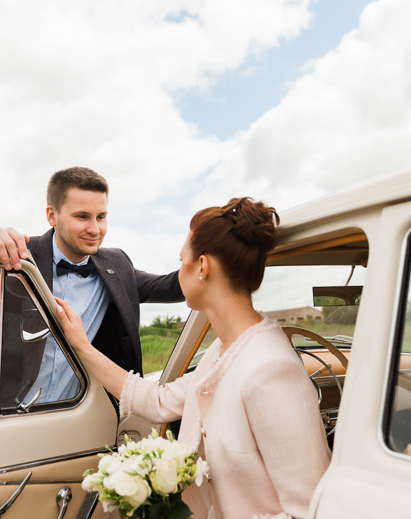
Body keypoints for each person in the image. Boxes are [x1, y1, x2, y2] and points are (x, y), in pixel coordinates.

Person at [57, 197, 330, 519]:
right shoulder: (224, 348)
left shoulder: (271, 367)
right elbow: (159, 402)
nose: (179, 271)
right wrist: (82, 346)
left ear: (203, 267)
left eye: (181, 260)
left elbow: (309, 509)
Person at [0, 166, 184, 419]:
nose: (95, 229)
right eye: (82, 216)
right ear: (52, 215)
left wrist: (214, 247)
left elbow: (172, 286)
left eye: (101, 217)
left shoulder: (117, 265)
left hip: (66, 422)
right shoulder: (15, 256)